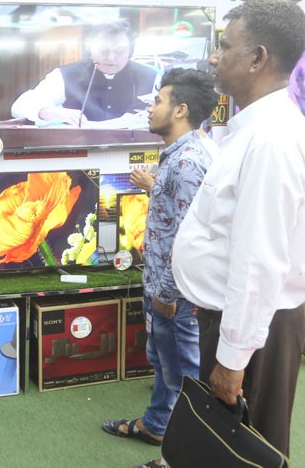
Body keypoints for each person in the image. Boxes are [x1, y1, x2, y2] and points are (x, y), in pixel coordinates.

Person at [172, 0, 305, 457]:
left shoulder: (272, 139)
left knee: (245, 450)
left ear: (257, 58)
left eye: (224, 46)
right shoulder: (253, 130)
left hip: (256, 331)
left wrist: (234, 358)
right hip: (239, 322)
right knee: (218, 448)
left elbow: (260, 258)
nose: (213, 58)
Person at [101, 69, 219, 468]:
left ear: (180, 110)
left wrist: (166, 294)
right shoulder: (180, 154)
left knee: (184, 380)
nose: (150, 109)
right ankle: (156, 425)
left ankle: (182, 459)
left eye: (157, 101)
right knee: (164, 365)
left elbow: (191, 239)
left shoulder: (188, 162)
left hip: (174, 294)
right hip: (160, 286)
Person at [10, 19, 159, 125]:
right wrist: (52, 112)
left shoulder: (151, 78)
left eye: (119, 51)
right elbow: (20, 106)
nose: (111, 57)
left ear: (130, 51)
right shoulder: (65, 75)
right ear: (90, 48)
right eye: (103, 50)